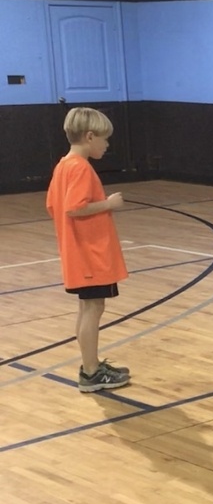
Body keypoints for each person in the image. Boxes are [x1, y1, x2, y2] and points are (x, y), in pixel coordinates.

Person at [46, 107, 133, 393]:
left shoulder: (63, 166)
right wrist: (109, 204)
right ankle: (91, 373)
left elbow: (53, 206)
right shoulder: (80, 167)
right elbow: (75, 207)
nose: (107, 146)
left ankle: (91, 364)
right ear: (90, 136)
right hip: (91, 254)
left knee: (88, 308)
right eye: (104, 140)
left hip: (78, 252)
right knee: (93, 308)